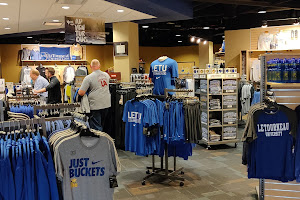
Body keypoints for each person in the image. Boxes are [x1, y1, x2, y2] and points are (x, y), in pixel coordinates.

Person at [78, 59, 111, 131]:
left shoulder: (89, 77)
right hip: (106, 103)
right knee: (103, 125)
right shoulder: (107, 75)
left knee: (96, 127)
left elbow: (81, 92)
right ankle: (104, 140)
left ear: (90, 66)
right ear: (99, 66)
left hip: (95, 105)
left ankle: (98, 141)